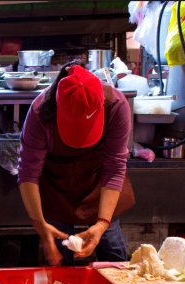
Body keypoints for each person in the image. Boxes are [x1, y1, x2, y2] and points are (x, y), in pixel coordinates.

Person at [17, 61, 135, 266]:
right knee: (59, 262)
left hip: (101, 185)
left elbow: (115, 166)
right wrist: (40, 224)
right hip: (57, 188)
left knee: (114, 255)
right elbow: (28, 172)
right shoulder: (40, 111)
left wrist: (102, 222)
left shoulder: (116, 105)